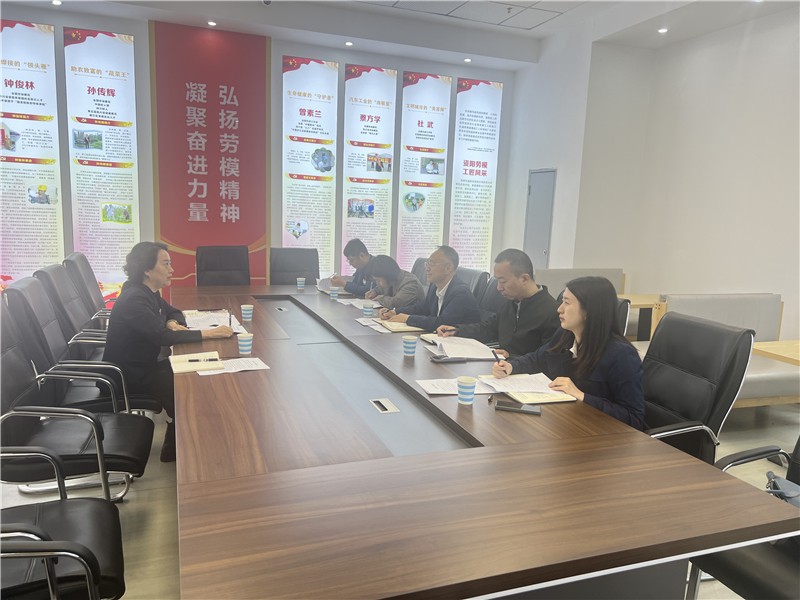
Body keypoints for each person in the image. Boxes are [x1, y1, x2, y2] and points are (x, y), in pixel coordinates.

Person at [103, 242, 233, 462]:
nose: (172, 269)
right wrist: (210, 334)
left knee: (189, 375)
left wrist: (171, 321)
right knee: (185, 384)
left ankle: (179, 441)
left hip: (142, 364)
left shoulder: (146, 292)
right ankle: (179, 447)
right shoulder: (135, 298)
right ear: (147, 269)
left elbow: (174, 312)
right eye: (166, 264)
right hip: (127, 375)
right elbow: (162, 337)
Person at [492, 276, 644, 429]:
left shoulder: (622, 355)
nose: (559, 309)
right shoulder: (565, 335)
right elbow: (538, 358)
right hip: (565, 423)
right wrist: (511, 366)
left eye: (567, 302)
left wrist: (582, 396)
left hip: (599, 434)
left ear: (588, 311)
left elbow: (634, 418)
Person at [436, 248, 560, 358]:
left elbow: (548, 358)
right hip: (501, 367)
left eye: (503, 281)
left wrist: (512, 357)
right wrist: (457, 330)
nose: (499, 288)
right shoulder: (512, 302)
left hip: (523, 373)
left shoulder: (551, 313)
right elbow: (487, 328)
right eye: (497, 281)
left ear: (524, 279)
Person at [382, 246, 480, 330]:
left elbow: (442, 323)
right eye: (427, 264)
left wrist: (408, 318)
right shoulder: (434, 286)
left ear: (448, 268)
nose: (427, 268)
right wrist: (395, 312)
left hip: (461, 343)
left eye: (432, 264)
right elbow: (421, 308)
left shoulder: (461, 293)